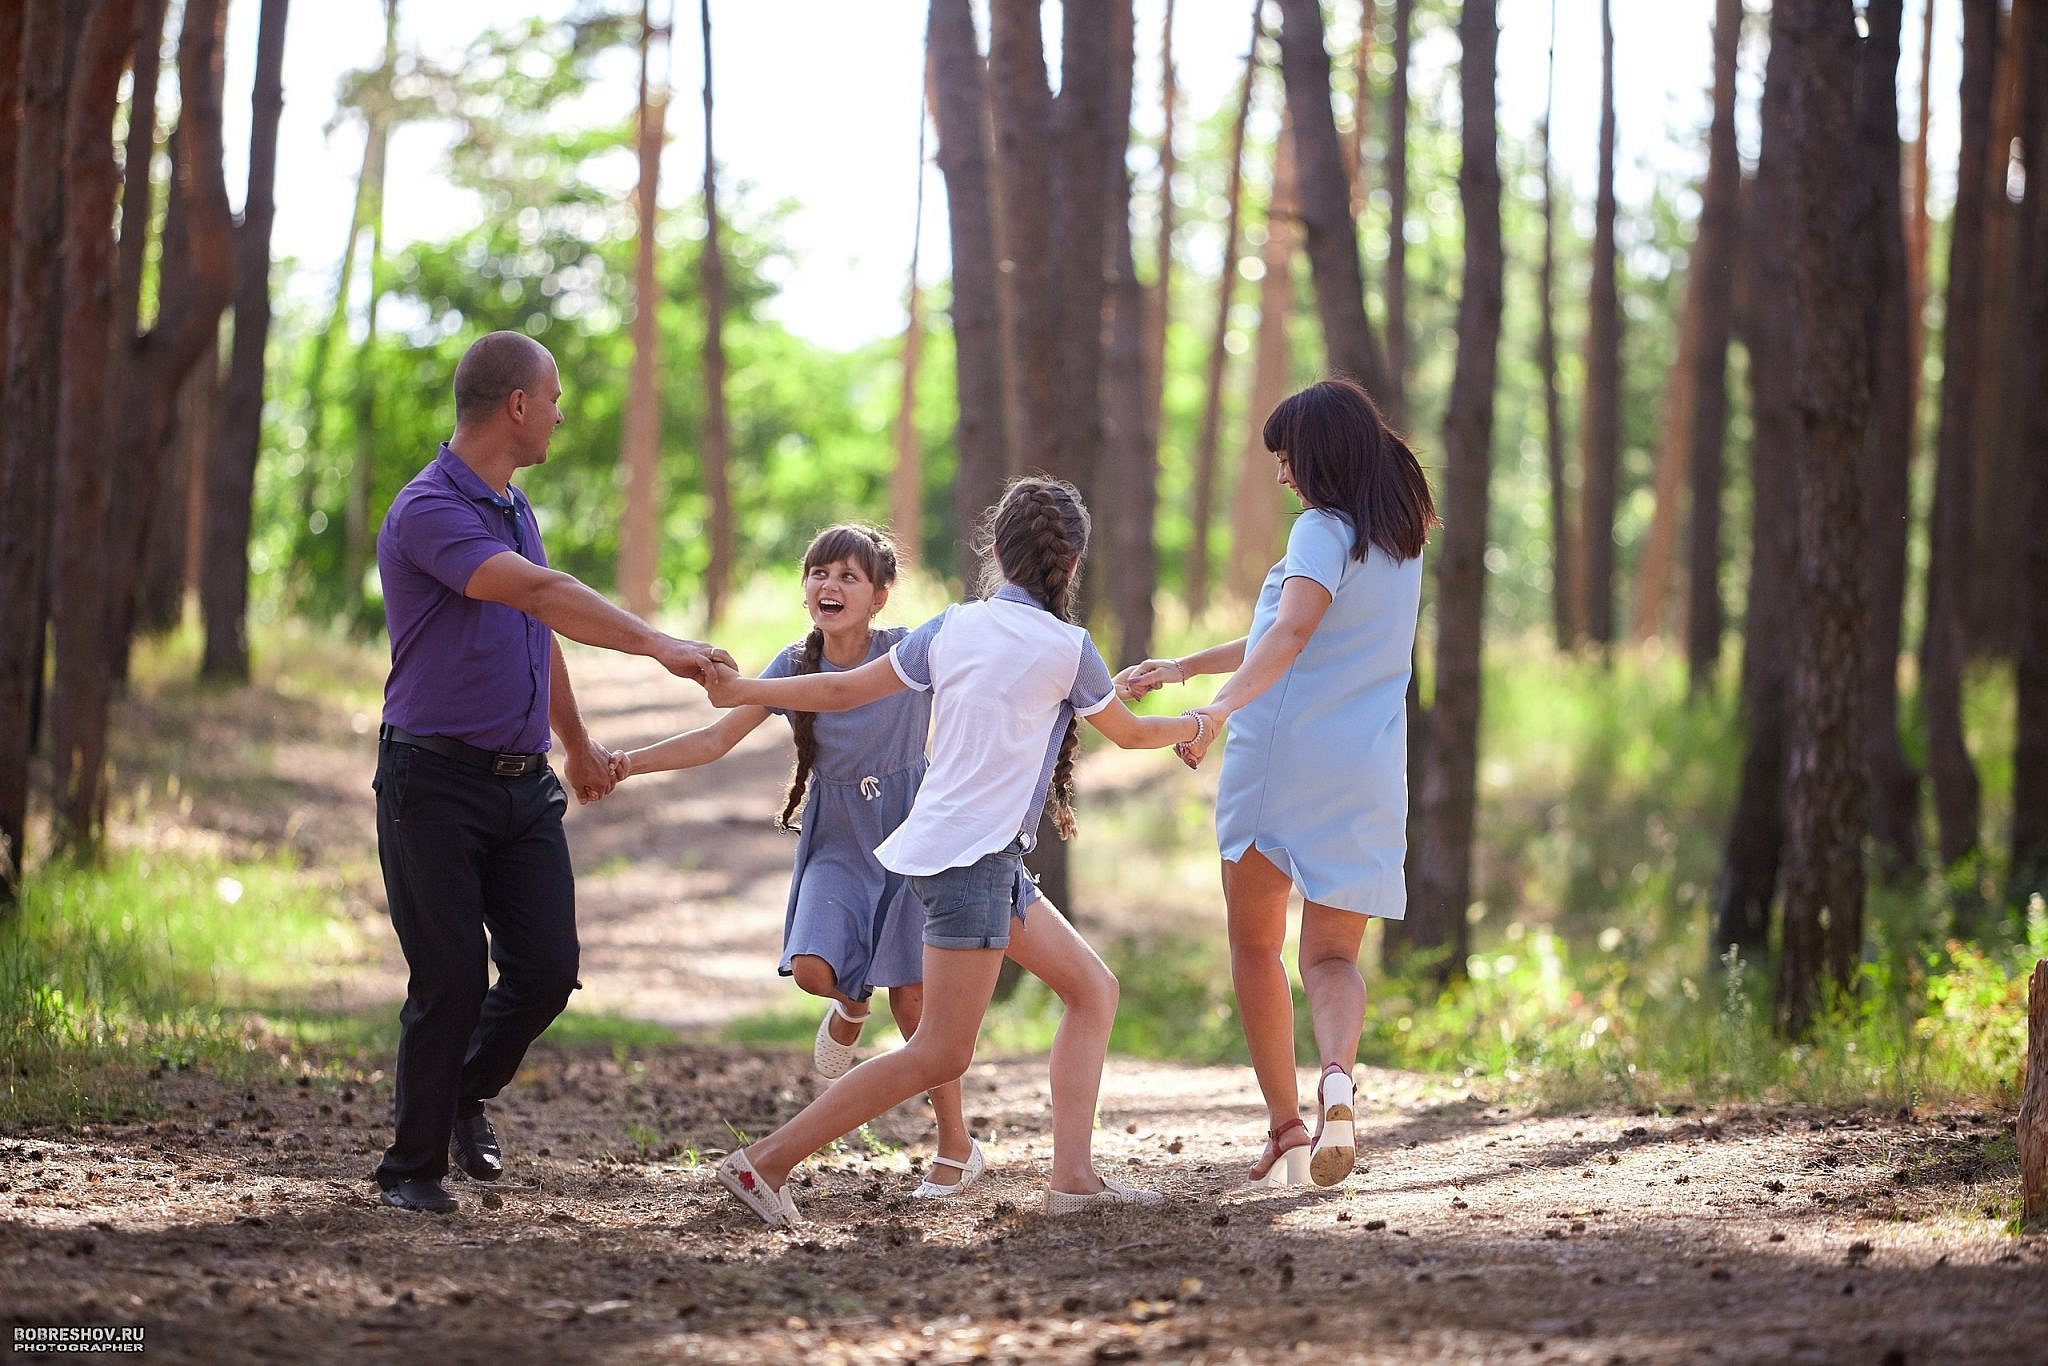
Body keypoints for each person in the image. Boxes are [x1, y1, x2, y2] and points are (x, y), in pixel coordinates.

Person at [699, 477, 1208, 1225]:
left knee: (1092, 990)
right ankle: (765, 1164)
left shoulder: (952, 627)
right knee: (940, 1052)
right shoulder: (1069, 646)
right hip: (972, 864)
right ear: (1069, 568)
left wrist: (741, 686)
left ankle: (1072, 1177)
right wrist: (1196, 725)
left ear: (998, 556)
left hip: (972, 859)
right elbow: (1130, 734)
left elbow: (842, 693)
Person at [371, 330, 730, 1214]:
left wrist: (572, 742)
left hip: (519, 783)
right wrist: (658, 646)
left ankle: (462, 1094)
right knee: (449, 979)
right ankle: (411, 1172)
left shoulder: (512, 507)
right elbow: (542, 594)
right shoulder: (429, 509)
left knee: (546, 967)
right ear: (518, 406)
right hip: (433, 783)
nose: (563, 413)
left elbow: (536, 630)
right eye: (555, 397)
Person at [1119, 377, 1437, 1190]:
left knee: (1255, 943)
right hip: (1366, 767)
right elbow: (1286, 625)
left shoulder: (1320, 530)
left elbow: (1292, 630)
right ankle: (1338, 1079)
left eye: (1288, 457)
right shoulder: (1399, 543)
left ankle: (1288, 1130)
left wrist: (1215, 710)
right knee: (1331, 955)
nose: (1281, 474)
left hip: (1281, 756)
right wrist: (1187, 665)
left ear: (1319, 457)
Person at [613, 525, 983, 1198]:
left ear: (880, 595)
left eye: (848, 576)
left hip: (912, 837)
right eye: (819, 573)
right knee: (814, 969)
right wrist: (628, 763)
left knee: (918, 1004)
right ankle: (848, 1005)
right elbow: (715, 737)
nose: (829, 586)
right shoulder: (792, 663)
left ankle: (956, 1146)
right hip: (840, 839)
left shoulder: (907, 653)